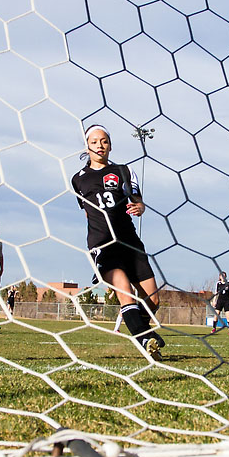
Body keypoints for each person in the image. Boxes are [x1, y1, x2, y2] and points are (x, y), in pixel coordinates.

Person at [70, 125, 165, 361]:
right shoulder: (78, 179)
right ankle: (146, 341)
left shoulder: (124, 170)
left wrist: (140, 207)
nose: (99, 145)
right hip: (102, 244)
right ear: (87, 146)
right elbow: (86, 212)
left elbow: (136, 198)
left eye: (104, 141)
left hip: (129, 241)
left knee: (153, 300)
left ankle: (143, 330)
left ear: (110, 145)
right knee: (126, 292)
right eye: (94, 142)